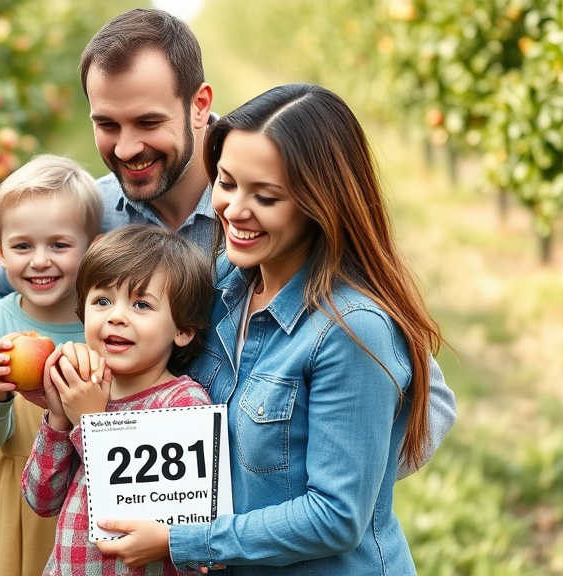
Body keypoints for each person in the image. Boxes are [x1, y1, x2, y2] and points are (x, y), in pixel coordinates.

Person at [75, 7, 455, 478]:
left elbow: (426, 402)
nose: (127, 148)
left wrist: (288, 485)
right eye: (107, 125)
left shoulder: (284, 221)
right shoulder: (89, 217)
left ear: (199, 104)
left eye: (148, 123)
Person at [95, 83, 443, 575]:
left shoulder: (351, 332)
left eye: (266, 196)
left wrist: (181, 540)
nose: (235, 210)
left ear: (320, 204)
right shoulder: (221, 284)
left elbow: (337, 517)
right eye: (227, 182)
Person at [22, 224, 215, 576]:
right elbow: (41, 499)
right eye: (102, 301)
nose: (116, 316)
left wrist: (89, 424)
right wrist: (58, 418)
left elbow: (174, 526)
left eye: (141, 304)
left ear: (183, 329)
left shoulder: (183, 403)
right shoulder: (82, 390)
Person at [0, 154, 104, 576]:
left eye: (59, 244)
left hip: (95, 500)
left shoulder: (107, 325)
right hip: (25, 505)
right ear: (1, 252)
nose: (40, 260)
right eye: (23, 246)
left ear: (91, 248)